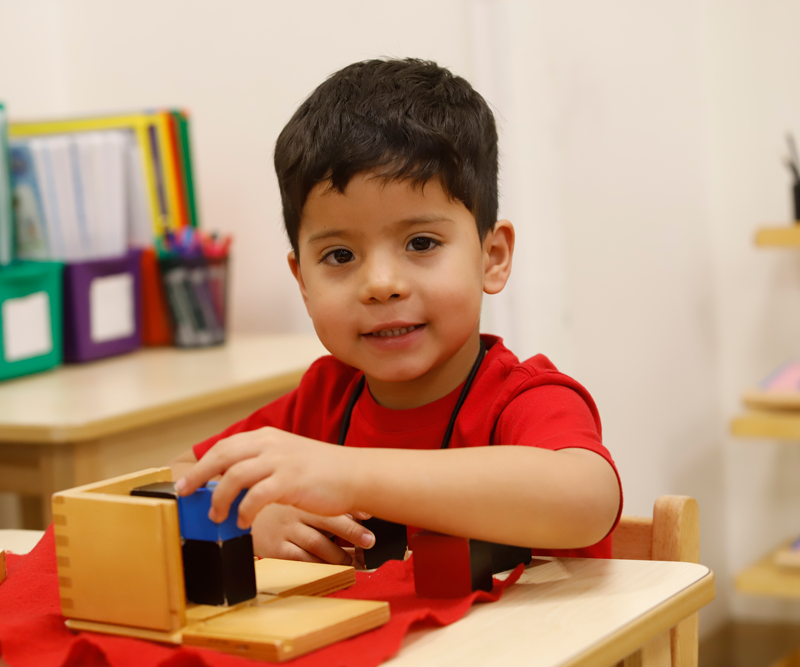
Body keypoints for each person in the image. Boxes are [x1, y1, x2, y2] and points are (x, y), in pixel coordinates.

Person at [169, 58, 622, 566]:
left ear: (491, 257)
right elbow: (179, 475)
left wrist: (348, 474)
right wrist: (250, 517)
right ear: (302, 281)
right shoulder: (323, 399)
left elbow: (588, 499)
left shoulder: (524, 399)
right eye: (339, 256)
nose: (381, 285)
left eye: (421, 242)